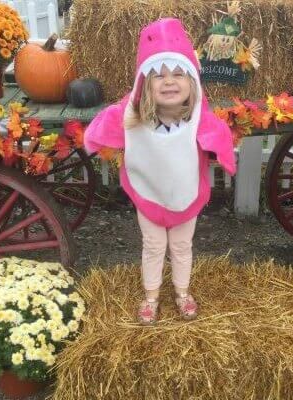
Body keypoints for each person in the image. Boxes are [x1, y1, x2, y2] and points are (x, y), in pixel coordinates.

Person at [84, 18, 236, 325]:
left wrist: (222, 155)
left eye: (178, 73)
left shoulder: (197, 117)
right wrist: (94, 139)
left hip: (184, 193)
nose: (169, 81)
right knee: (153, 245)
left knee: (181, 245)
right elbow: (104, 126)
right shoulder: (133, 115)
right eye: (159, 75)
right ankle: (151, 295)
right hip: (149, 193)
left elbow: (218, 136)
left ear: (192, 80)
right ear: (145, 84)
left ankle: (182, 292)